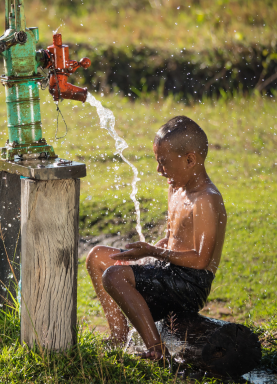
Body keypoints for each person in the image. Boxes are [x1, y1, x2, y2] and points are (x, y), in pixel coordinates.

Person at [85, 116, 226, 361]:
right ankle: (119, 338)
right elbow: (173, 238)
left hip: (190, 283)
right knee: (98, 257)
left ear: (190, 160)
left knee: (115, 275)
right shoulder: (176, 187)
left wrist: (152, 252)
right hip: (169, 269)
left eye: (164, 163)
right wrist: (153, 250)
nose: (159, 170)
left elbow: (201, 260)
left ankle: (156, 351)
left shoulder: (205, 199)